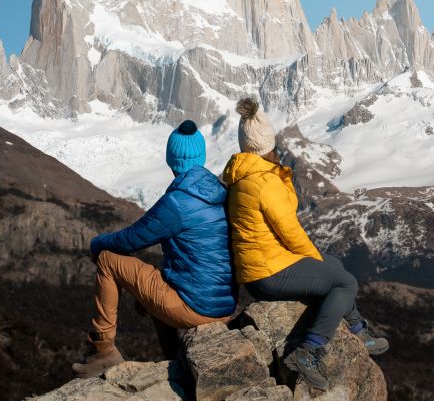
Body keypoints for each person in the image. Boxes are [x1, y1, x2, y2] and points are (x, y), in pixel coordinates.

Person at [223, 98, 388, 390]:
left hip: (260, 268)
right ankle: (309, 349)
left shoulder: (242, 176)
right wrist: (315, 260)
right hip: (269, 273)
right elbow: (291, 231)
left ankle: (359, 330)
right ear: (268, 142)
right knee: (345, 283)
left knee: (334, 265)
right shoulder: (263, 181)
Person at [73, 120, 238, 377]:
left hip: (196, 309)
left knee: (107, 259)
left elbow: (131, 240)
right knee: (153, 288)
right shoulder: (218, 191)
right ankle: (175, 359)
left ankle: (102, 351)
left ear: (172, 159)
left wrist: (96, 244)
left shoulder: (179, 202)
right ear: (201, 156)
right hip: (224, 306)